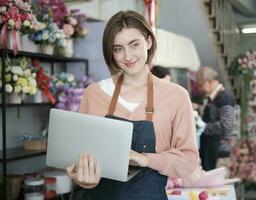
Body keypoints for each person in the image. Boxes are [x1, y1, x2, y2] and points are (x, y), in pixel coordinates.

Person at [66, 10, 200, 200]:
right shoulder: (94, 93)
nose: (127, 56)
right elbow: (80, 157)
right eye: (118, 48)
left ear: (148, 41)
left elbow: (188, 161)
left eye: (134, 44)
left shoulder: (176, 96)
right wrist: (85, 179)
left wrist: (144, 159)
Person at [196, 66, 235, 171]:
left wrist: (203, 127)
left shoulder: (224, 98)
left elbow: (227, 126)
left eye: (200, 85)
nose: (199, 89)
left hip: (219, 155)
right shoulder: (214, 98)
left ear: (208, 81)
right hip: (211, 152)